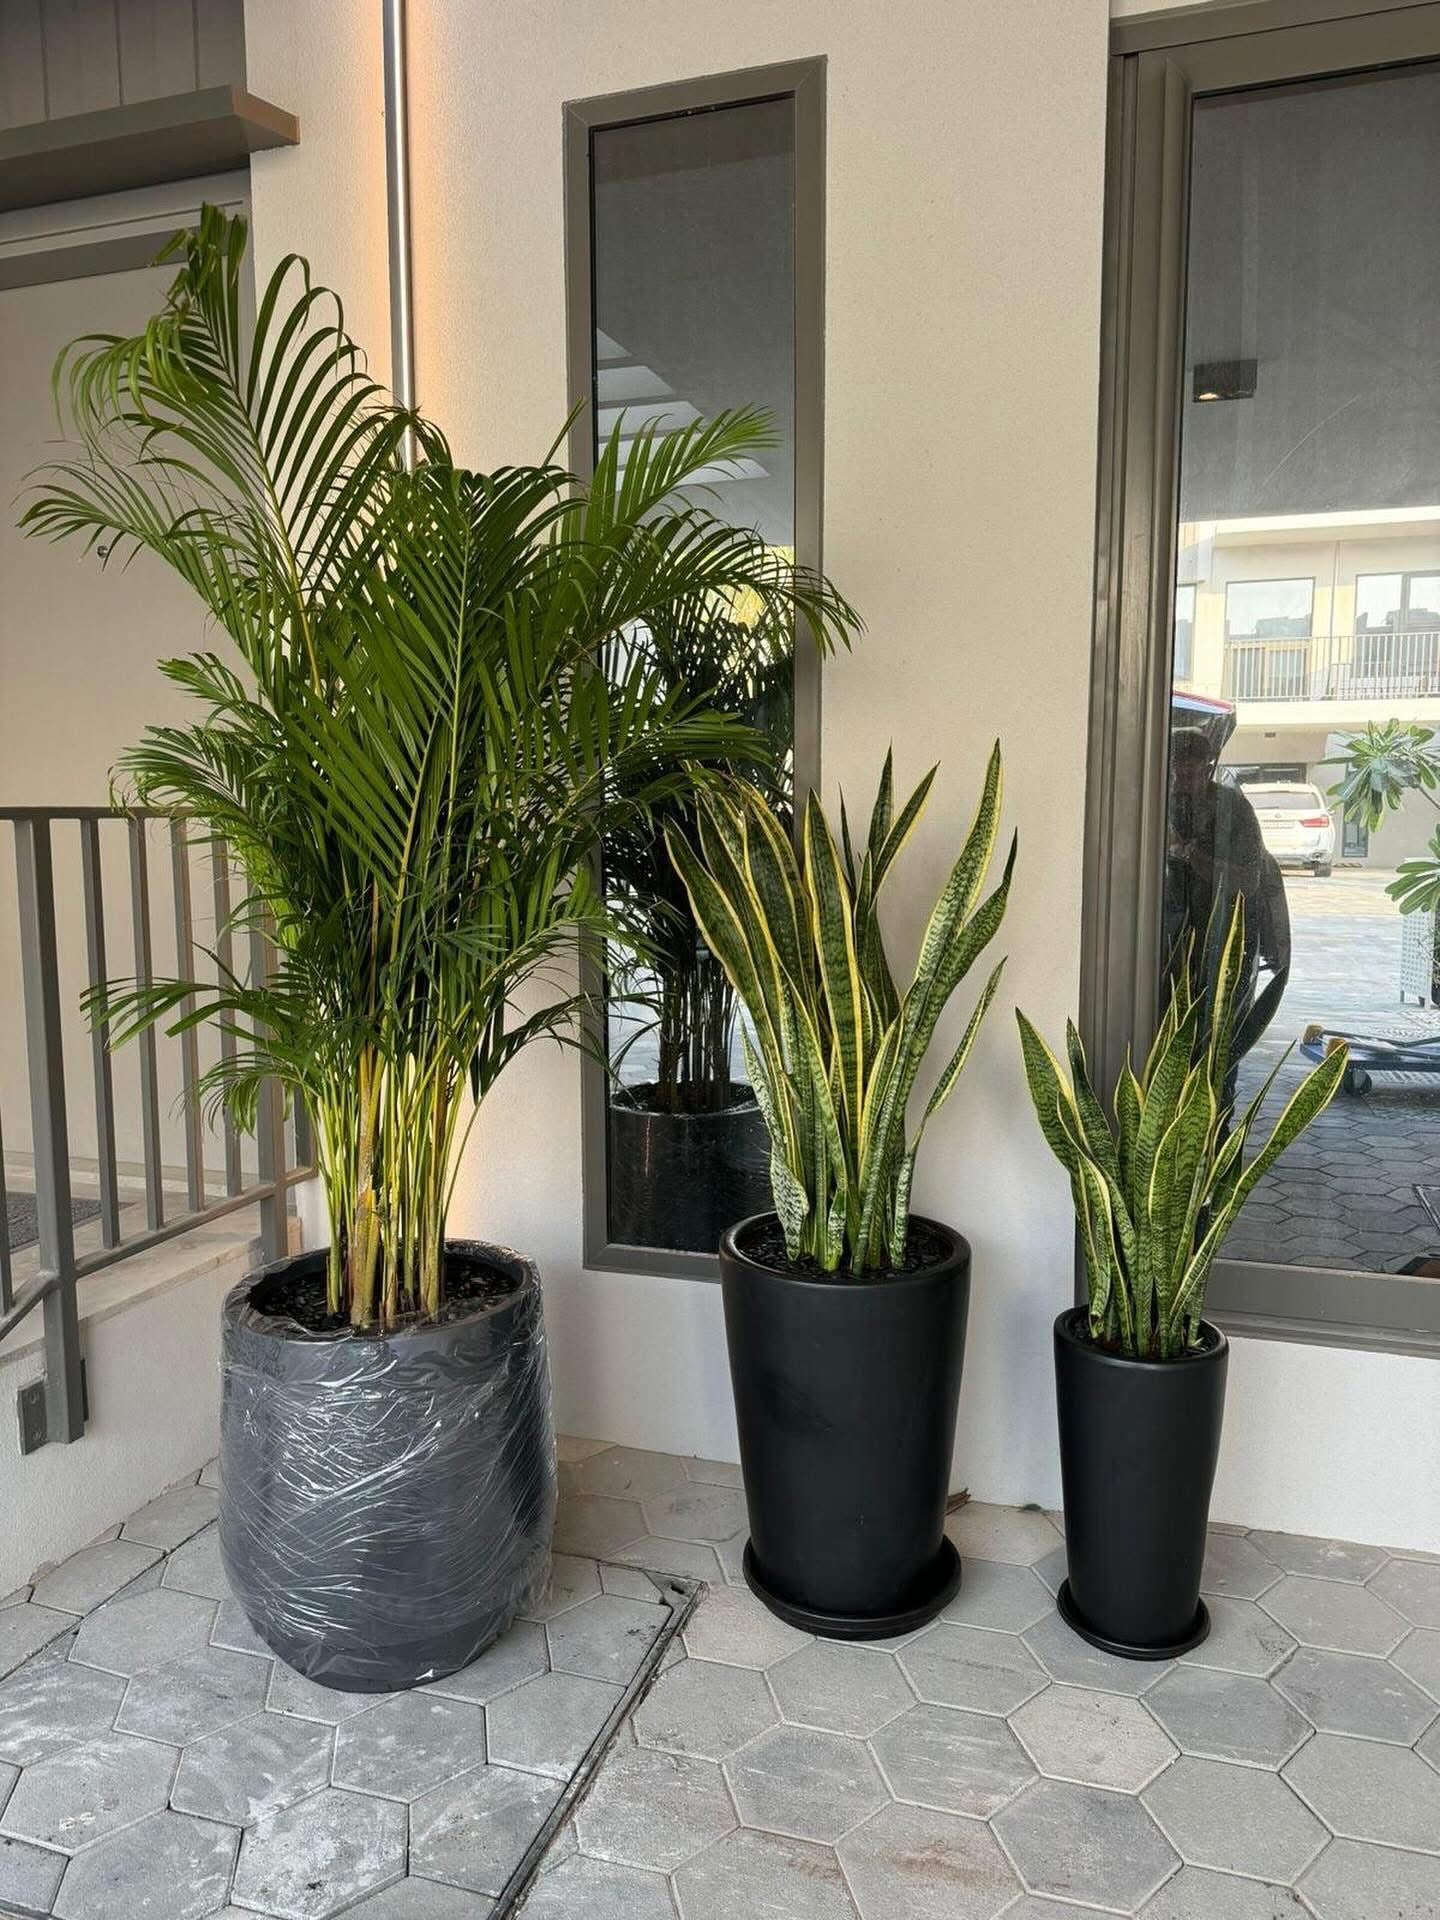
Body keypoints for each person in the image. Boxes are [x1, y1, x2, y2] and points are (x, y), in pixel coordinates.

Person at [1165, 727, 1291, 1077]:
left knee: (1219, 1051)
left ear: (1208, 766)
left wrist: (1187, 853)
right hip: (1166, 946)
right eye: (1175, 770)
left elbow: (1247, 880)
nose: (1181, 779)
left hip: (1221, 942)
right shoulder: (1155, 802)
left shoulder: (1232, 808)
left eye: (1190, 771)